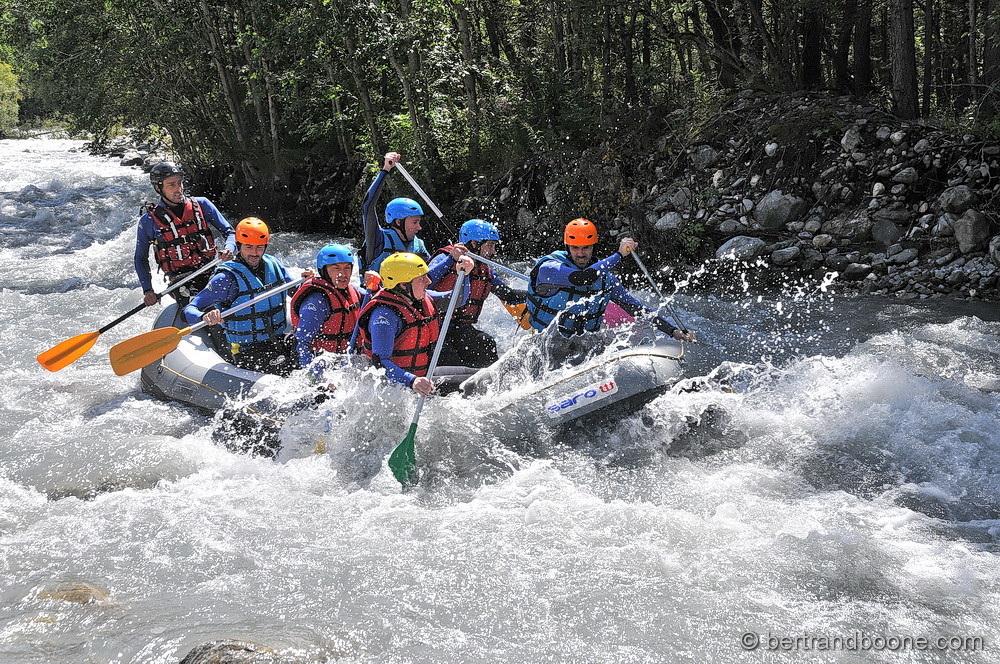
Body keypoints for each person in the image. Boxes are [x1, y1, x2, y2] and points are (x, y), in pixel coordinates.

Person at [184, 217, 303, 375]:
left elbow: (298, 292)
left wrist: (308, 283)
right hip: (247, 350)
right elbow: (189, 309)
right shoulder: (226, 278)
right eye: (249, 247)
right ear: (239, 245)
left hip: (279, 338)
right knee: (288, 368)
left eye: (259, 247)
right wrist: (204, 317)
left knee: (312, 353)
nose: (254, 253)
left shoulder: (274, 265)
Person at [357, 252, 473, 396]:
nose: (428, 282)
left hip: (421, 375)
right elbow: (380, 363)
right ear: (404, 285)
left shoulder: (421, 298)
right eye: (422, 279)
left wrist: (465, 274)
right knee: (476, 384)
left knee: (483, 375)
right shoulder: (384, 316)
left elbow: (457, 299)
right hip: (400, 388)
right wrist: (413, 381)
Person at [134, 161, 235, 308]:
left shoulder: (202, 204)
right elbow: (140, 258)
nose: (178, 189)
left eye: (179, 183)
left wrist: (229, 248)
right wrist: (148, 290)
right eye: (171, 185)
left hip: (212, 269)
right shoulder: (148, 221)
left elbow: (229, 232)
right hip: (181, 280)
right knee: (203, 307)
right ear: (158, 188)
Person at [428, 219, 527, 368]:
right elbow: (424, 281)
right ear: (474, 244)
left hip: (460, 328)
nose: (493, 252)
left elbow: (509, 296)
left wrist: (537, 292)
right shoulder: (445, 258)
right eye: (490, 245)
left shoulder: (485, 270)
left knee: (485, 343)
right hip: (436, 328)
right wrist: (451, 260)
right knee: (450, 359)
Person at [358, 151, 466, 281]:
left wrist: (452, 259)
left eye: (419, 222)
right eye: (415, 222)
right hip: (377, 298)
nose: (419, 227)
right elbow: (368, 207)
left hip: (407, 298)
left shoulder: (418, 245)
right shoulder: (378, 239)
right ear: (398, 222)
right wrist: (386, 169)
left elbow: (430, 276)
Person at [290, 243, 366, 375]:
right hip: (320, 366)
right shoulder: (317, 302)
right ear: (324, 270)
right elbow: (301, 344)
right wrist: (315, 378)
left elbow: (377, 299)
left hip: (346, 364)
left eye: (347, 268)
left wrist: (375, 285)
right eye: (336, 268)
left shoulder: (354, 291)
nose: (343, 274)